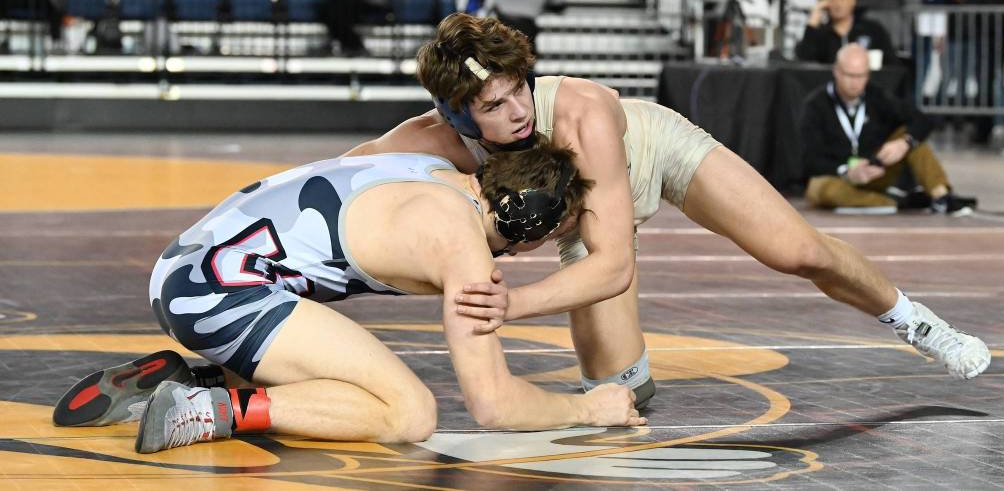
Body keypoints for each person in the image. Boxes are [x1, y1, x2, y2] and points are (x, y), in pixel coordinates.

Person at [345, 13, 991, 404]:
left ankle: (916, 321)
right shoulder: (425, 142)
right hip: (581, 222)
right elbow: (334, 186)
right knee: (623, 390)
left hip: (645, 152)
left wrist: (513, 303)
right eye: (494, 106)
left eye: (519, 92)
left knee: (797, 250)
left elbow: (613, 265)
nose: (517, 114)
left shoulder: (581, 111)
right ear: (455, 115)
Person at [52, 140, 647, 454]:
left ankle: (206, 382)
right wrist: (588, 410)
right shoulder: (458, 242)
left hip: (191, 270)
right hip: (221, 293)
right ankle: (206, 411)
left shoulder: (432, 167)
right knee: (410, 413)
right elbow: (494, 405)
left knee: (362, 379)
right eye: (553, 235)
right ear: (530, 223)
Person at [801, 44, 977, 215]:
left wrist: (904, 143)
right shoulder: (816, 105)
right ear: (837, 71)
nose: (856, 83)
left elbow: (921, 119)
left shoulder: (876, 96)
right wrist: (846, 170)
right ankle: (896, 201)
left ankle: (941, 196)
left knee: (911, 138)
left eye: (861, 76)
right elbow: (810, 159)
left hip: (876, 172)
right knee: (822, 190)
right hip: (840, 177)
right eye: (850, 75)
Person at [796, 0, 898, 66]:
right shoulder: (819, 35)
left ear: (852, 0)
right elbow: (804, 64)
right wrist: (813, 22)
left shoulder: (873, 30)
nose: (838, 5)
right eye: (832, 0)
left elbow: (892, 64)